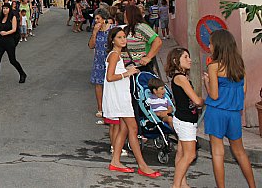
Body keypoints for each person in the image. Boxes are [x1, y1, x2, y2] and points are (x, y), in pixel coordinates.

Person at [102, 27, 161, 178]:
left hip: (122, 96)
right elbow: (110, 77)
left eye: (124, 37)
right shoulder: (114, 55)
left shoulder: (117, 55)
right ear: (112, 40)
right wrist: (126, 73)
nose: (123, 40)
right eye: (120, 37)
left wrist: (127, 70)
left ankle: (115, 161)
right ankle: (142, 165)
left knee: (124, 129)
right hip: (120, 98)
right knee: (133, 128)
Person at [203, 30, 256, 188]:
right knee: (240, 151)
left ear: (218, 46)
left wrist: (207, 82)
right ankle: (252, 186)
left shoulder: (214, 66)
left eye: (211, 43)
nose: (209, 46)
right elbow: (244, 90)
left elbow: (213, 95)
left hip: (216, 112)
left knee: (218, 152)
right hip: (234, 114)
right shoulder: (239, 65)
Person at [165, 48, 204, 188]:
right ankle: (176, 185)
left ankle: (182, 183)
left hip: (184, 119)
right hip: (185, 121)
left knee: (181, 153)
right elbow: (197, 100)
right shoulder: (180, 78)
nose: (190, 60)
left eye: (189, 56)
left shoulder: (181, 77)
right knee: (190, 155)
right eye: (185, 57)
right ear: (176, 61)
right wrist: (204, 99)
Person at [0, 3, 26, 86]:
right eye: (4, 8)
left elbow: (14, 29)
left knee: (12, 60)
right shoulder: (1, 17)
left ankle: (22, 74)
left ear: (9, 9)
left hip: (9, 41)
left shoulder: (13, 17)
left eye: (6, 8)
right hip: (1, 42)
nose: (5, 10)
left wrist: (6, 33)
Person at [88, 8, 112, 125]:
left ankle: (110, 108)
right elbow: (91, 46)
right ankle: (100, 109)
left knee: (110, 84)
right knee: (98, 84)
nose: (96, 21)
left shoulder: (112, 30)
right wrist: (94, 33)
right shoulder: (96, 31)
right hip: (98, 60)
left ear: (104, 19)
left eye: (98, 18)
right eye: (95, 19)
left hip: (110, 61)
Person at [123, 4, 162, 73]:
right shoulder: (127, 28)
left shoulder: (141, 27)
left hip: (141, 68)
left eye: (125, 13)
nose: (124, 15)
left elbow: (157, 41)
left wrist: (148, 57)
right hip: (129, 69)